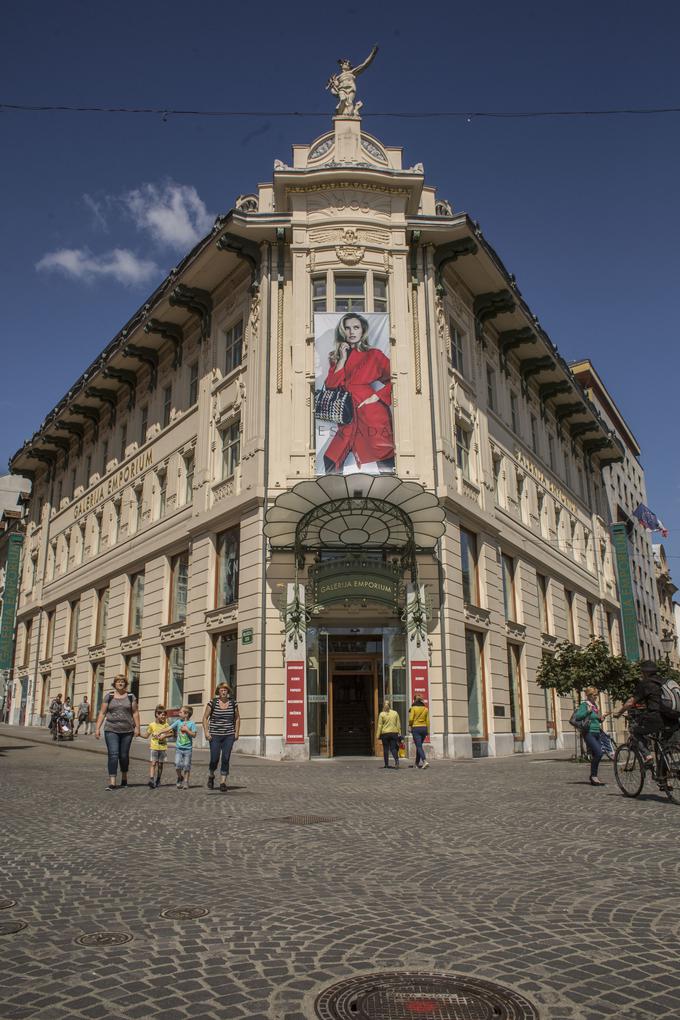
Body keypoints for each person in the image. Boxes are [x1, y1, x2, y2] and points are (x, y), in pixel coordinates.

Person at [322, 313, 395, 474]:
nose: (351, 332)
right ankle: (334, 495)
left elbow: (396, 380)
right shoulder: (335, 357)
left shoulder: (374, 355)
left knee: (385, 457)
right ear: (342, 332)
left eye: (356, 327)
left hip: (371, 413)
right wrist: (341, 359)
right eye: (347, 328)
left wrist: (376, 396)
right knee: (331, 459)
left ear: (363, 331)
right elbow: (331, 386)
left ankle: (393, 494)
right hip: (347, 415)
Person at [613, 660, 679, 762]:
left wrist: (619, 713)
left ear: (644, 672)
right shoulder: (664, 681)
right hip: (673, 718)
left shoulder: (645, 684)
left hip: (657, 718)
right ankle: (663, 774)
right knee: (662, 746)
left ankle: (647, 755)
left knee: (635, 731)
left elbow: (630, 702)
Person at [94, 674, 141, 791]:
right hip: (111, 729)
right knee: (113, 754)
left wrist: (138, 728)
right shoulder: (109, 696)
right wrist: (97, 728)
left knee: (123, 756)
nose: (120, 683)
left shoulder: (131, 696)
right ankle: (112, 782)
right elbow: (102, 713)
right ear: (114, 684)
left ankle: (124, 777)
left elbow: (135, 712)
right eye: (118, 681)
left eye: (122, 681)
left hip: (127, 730)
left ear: (125, 683)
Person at [202, 682, 240, 792]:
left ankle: (223, 782)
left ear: (228, 691)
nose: (223, 692)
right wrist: (206, 732)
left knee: (226, 757)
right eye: (221, 690)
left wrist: (236, 732)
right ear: (218, 691)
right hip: (215, 735)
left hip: (229, 735)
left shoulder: (233, 703)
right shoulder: (212, 703)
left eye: (225, 690)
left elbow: (237, 718)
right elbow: (205, 718)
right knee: (214, 758)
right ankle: (211, 774)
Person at [573, 686, 606, 786]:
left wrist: (601, 718)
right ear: (589, 695)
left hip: (597, 732)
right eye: (595, 695)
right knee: (599, 753)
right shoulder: (585, 705)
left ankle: (594, 776)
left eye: (596, 695)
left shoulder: (595, 705)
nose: (596, 697)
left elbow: (595, 718)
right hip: (588, 732)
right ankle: (593, 776)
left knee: (598, 754)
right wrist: (587, 711)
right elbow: (578, 716)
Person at [146, 706, 173, 789]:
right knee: (153, 763)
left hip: (162, 748)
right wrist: (138, 734)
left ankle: (158, 779)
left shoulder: (166, 725)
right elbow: (146, 735)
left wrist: (164, 735)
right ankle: (151, 780)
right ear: (156, 715)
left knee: (160, 765)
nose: (164, 716)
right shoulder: (151, 725)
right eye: (162, 714)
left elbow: (172, 733)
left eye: (165, 715)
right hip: (154, 747)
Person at [170, 706, 197, 789]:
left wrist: (187, 730)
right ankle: (180, 777)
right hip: (179, 748)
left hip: (188, 749)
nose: (179, 713)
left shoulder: (192, 724)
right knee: (177, 764)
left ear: (186, 714)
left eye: (181, 712)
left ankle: (185, 782)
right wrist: (160, 732)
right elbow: (170, 727)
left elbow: (194, 735)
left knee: (186, 765)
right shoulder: (178, 722)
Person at [376, 700, 401, 769]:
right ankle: (396, 761)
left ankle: (386, 764)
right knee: (393, 748)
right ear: (390, 705)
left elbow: (380, 725)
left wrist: (378, 735)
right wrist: (399, 733)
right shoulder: (395, 713)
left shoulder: (382, 714)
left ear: (383, 705)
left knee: (385, 749)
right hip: (394, 733)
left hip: (385, 734)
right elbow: (398, 724)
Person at [409, 695, 430, 769]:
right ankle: (416, 763)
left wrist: (410, 725)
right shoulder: (425, 709)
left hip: (416, 728)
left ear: (414, 700)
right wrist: (428, 731)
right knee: (419, 746)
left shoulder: (413, 708)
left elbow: (411, 719)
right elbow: (428, 721)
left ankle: (424, 761)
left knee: (418, 746)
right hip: (424, 728)